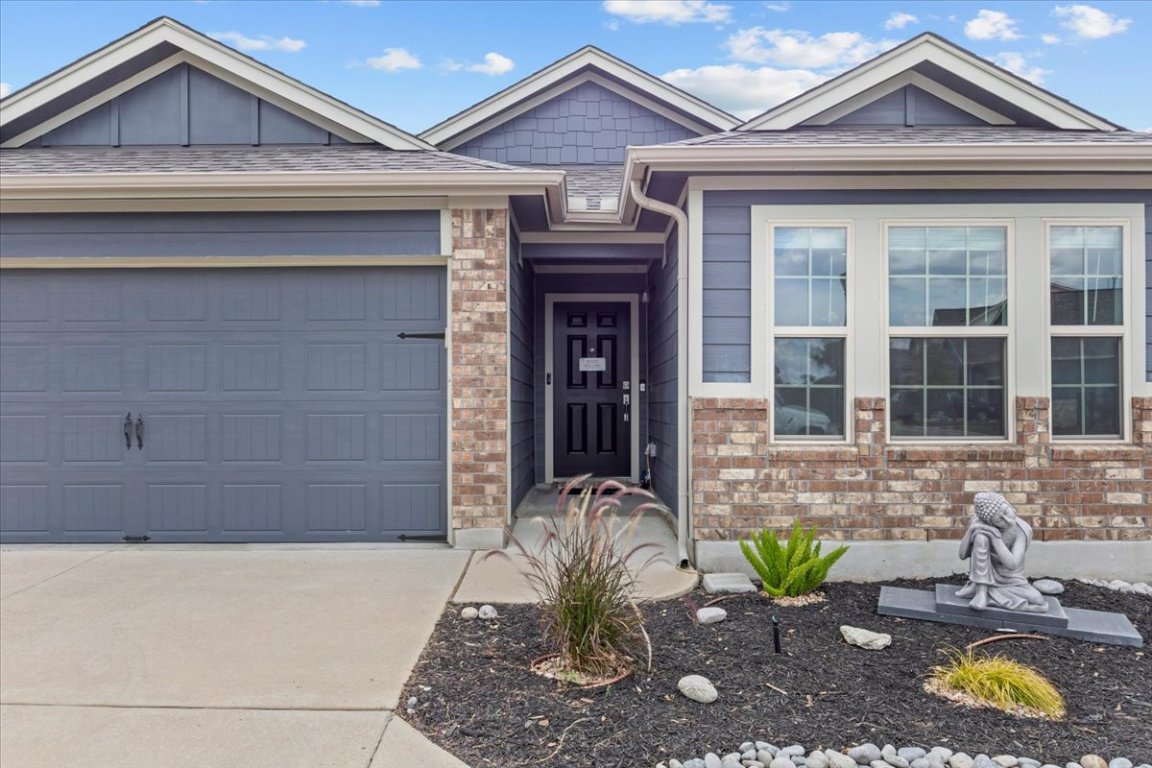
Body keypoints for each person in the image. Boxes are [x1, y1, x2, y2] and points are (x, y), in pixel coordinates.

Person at [956, 492, 1048, 613]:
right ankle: (981, 593)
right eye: (999, 519)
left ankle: (989, 594)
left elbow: (1012, 564)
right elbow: (962, 555)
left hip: (1011, 580)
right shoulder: (981, 524)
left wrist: (996, 539)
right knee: (980, 537)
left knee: (1037, 599)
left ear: (1009, 505)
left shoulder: (1022, 530)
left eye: (1006, 512)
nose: (1008, 520)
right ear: (991, 522)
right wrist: (971, 530)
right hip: (983, 577)